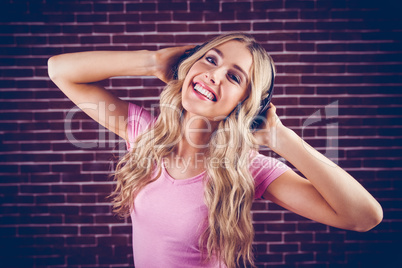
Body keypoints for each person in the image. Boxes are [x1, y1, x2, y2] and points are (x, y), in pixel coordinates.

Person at [48, 33, 383, 268]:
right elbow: (60, 71)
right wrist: (152, 62)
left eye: (234, 77)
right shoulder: (142, 133)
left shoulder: (250, 168)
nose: (214, 75)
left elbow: (364, 217)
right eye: (210, 60)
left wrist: (281, 137)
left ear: (245, 104)